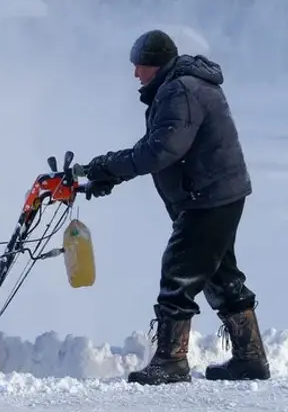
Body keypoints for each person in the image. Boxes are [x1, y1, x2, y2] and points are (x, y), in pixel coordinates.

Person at [82, 28, 269, 385]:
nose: (135, 73)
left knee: (179, 271)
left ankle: (171, 360)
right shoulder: (178, 86)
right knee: (220, 275)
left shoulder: (181, 90)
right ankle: (251, 359)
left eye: (140, 66)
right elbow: (159, 144)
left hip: (207, 197)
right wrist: (110, 174)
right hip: (215, 193)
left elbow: (162, 150)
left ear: (156, 64)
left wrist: (107, 166)